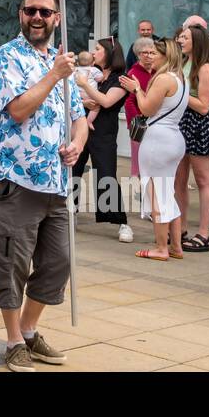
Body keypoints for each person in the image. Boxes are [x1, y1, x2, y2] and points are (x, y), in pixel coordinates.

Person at [0, 0, 88, 372]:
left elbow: (79, 116)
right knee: (12, 263)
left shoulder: (60, 63)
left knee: (59, 261)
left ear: (57, 18)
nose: (38, 17)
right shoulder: (8, 57)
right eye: (31, 11)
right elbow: (19, 109)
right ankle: (12, 341)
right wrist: (53, 74)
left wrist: (76, 142)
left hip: (56, 182)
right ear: (21, 15)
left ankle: (29, 330)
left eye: (45, 12)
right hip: (16, 179)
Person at [120, 38, 187, 261]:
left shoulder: (164, 79)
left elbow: (146, 108)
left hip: (158, 140)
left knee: (157, 194)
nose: (151, 58)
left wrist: (137, 89)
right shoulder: (181, 78)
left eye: (154, 54)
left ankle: (161, 247)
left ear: (165, 56)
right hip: (174, 138)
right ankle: (176, 246)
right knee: (168, 193)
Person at [74, 37, 132, 242]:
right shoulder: (90, 72)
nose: (94, 52)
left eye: (98, 49)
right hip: (80, 127)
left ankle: (121, 222)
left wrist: (85, 87)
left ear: (109, 53)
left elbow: (107, 101)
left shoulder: (120, 78)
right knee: (73, 170)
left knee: (106, 174)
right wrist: (84, 99)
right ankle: (69, 213)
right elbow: (73, 94)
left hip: (104, 132)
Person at [175, 24, 209, 251]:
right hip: (180, 123)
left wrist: (178, 94)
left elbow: (204, 106)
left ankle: (204, 233)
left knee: (204, 180)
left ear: (196, 40)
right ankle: (180, 228)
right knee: (179, 181)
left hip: (198, 125)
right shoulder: (184, 63)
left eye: (184, 37)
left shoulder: (205, 68)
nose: (180, 41)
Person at [123, 37, 155, 177]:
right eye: (144, 53)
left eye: (151, 52)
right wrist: (136, 121)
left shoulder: (157, 72)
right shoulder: (132, 73)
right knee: (138, 161)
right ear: (138, 55)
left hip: (155, 121)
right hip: (140, 124)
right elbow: (129, 102)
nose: (149, 56)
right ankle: (137, 188)